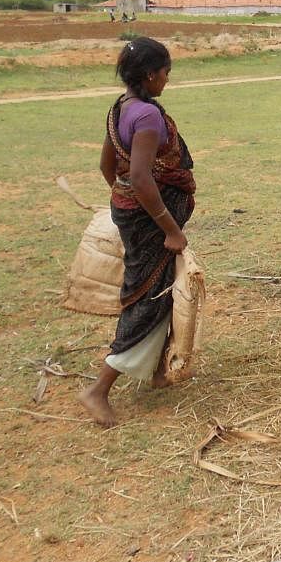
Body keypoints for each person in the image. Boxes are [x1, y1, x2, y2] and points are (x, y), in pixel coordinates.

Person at [78, 37, 195, 427]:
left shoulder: (121, 108)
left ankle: (158, 371)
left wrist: (122, 196)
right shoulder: (146, 117)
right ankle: (98, 389)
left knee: (162, 289)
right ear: (150, 74)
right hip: (152, 223)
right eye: (165, 73)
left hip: (138, 215)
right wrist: (169, 227)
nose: (167, 80)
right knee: (148, 298)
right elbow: (143, 178)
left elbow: (107, 166)